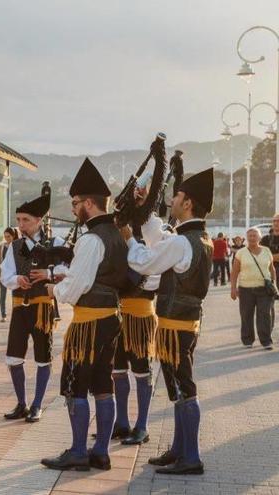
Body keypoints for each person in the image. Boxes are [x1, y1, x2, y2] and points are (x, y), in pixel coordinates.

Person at [124, 167, 215, 475]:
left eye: (176, 196)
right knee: (178, 387)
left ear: (187, 203)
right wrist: (143, 208)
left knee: (184, 387)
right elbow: (160, 238)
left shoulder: (182, 242)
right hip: (183, 325)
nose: (172, 199)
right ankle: (180, 449)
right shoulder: (197, 238)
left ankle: (191, 456)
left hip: (176, 327)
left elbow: (145, 260)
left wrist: (128, 240)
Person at [41, 158, 127, 472]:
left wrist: (54, 289)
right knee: (104, 384)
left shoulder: (91, 239)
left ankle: (78, 451)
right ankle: (101, 451)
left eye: (76, 203)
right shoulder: (116, 234)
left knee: (75, 385)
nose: (74, 207)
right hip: (111, 317)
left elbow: (77, 285)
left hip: (89, 321)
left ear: (89, 203)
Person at [0, 193, 67, 423]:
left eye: (25, 220)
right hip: (20, 307)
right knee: (14, 357)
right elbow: (4, 275)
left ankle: (37, 404)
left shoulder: (56, 243)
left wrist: (48, 274)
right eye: (18, 220)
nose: (20, 225)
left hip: (42, 309)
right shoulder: (15, 245)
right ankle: (21, 403)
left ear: (38, 220)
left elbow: (69, 269)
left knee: (42, 357)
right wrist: (17, 279)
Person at [111, 186, 161, 447]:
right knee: (118, 371)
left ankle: (142, 425)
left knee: (142, 371)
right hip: (119, 314)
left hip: (141, 316)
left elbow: (152, 279)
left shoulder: (153, 239)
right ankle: (121, 423)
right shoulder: (121, 236)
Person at [230, 227, 276, 349]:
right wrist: (233, 288)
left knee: (265, 314)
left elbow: (272, 269)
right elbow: (234, 272)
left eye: (254, 235)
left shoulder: (266, 251)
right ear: (247, 238)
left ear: (259, 238)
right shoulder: (241, 253)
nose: (252, 238)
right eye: (249, 235)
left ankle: (266, 341)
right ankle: (247, 340)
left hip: (264, 289)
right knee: (246, 315)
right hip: (245, 289)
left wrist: (274, 284)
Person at [0, 228, 18, 322]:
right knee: (3, 295)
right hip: (3, 274)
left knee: (15, 294)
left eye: (8, 236)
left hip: (14, 274)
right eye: (5, 237)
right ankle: (3, 315)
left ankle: (16, 314)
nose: (7, 238)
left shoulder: (17, 245)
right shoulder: (2, 246)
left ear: (13, 236)